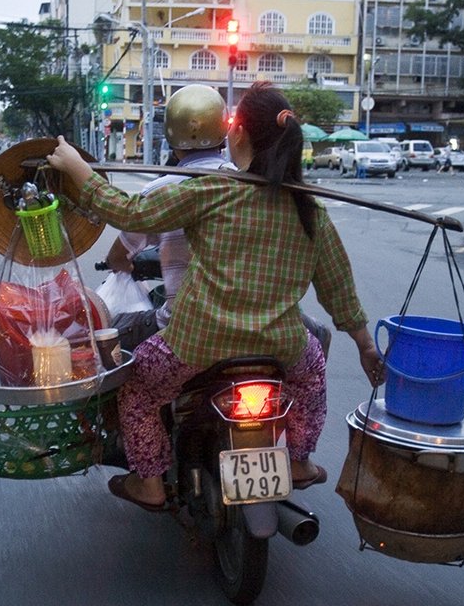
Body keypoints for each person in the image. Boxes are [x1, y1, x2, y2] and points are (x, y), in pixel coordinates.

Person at [47, 81, 384, 511]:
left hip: (194, 343)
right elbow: (339, 290)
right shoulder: (309, 209)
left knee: (136, 390)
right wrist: (366, 346)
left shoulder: (210, 192)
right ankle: (298, 460)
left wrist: (78, 169)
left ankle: (150, 483)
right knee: (314, 372)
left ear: (237, 134)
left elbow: (130, 213)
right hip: (281, 345)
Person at [105, 84, 236, 352]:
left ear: (171, 138)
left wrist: (125, 266)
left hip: (181, 330)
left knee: (110, 337)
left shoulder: (160, 190)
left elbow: (118, 257)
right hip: (243, 324)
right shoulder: (244, 184)